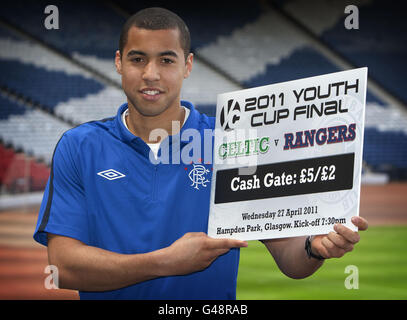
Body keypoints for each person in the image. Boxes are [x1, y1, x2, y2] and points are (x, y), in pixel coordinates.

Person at [33, 7, 368, 300]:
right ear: (119, 63)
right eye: (138, 59)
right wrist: (166, 261)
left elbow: (291, 259)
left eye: (166, 59)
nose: (151, 74)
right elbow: (63, 267)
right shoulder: (80, 146)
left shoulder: (231, 142)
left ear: (187, 65)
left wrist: (314, 247)